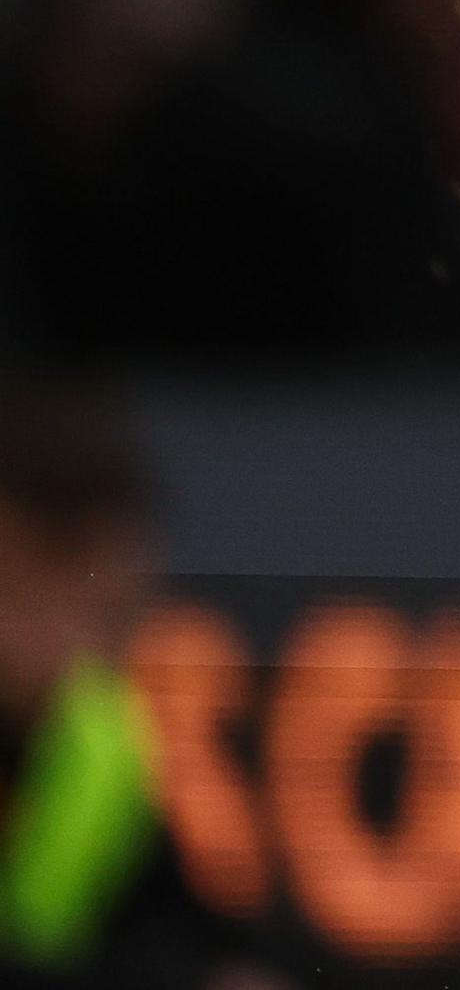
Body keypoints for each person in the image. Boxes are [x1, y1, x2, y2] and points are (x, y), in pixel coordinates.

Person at [0, 380, 285, 990]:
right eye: (97, 613)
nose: (106, 650)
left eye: (122, 617)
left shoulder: (94, 738)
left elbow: (153, 921)